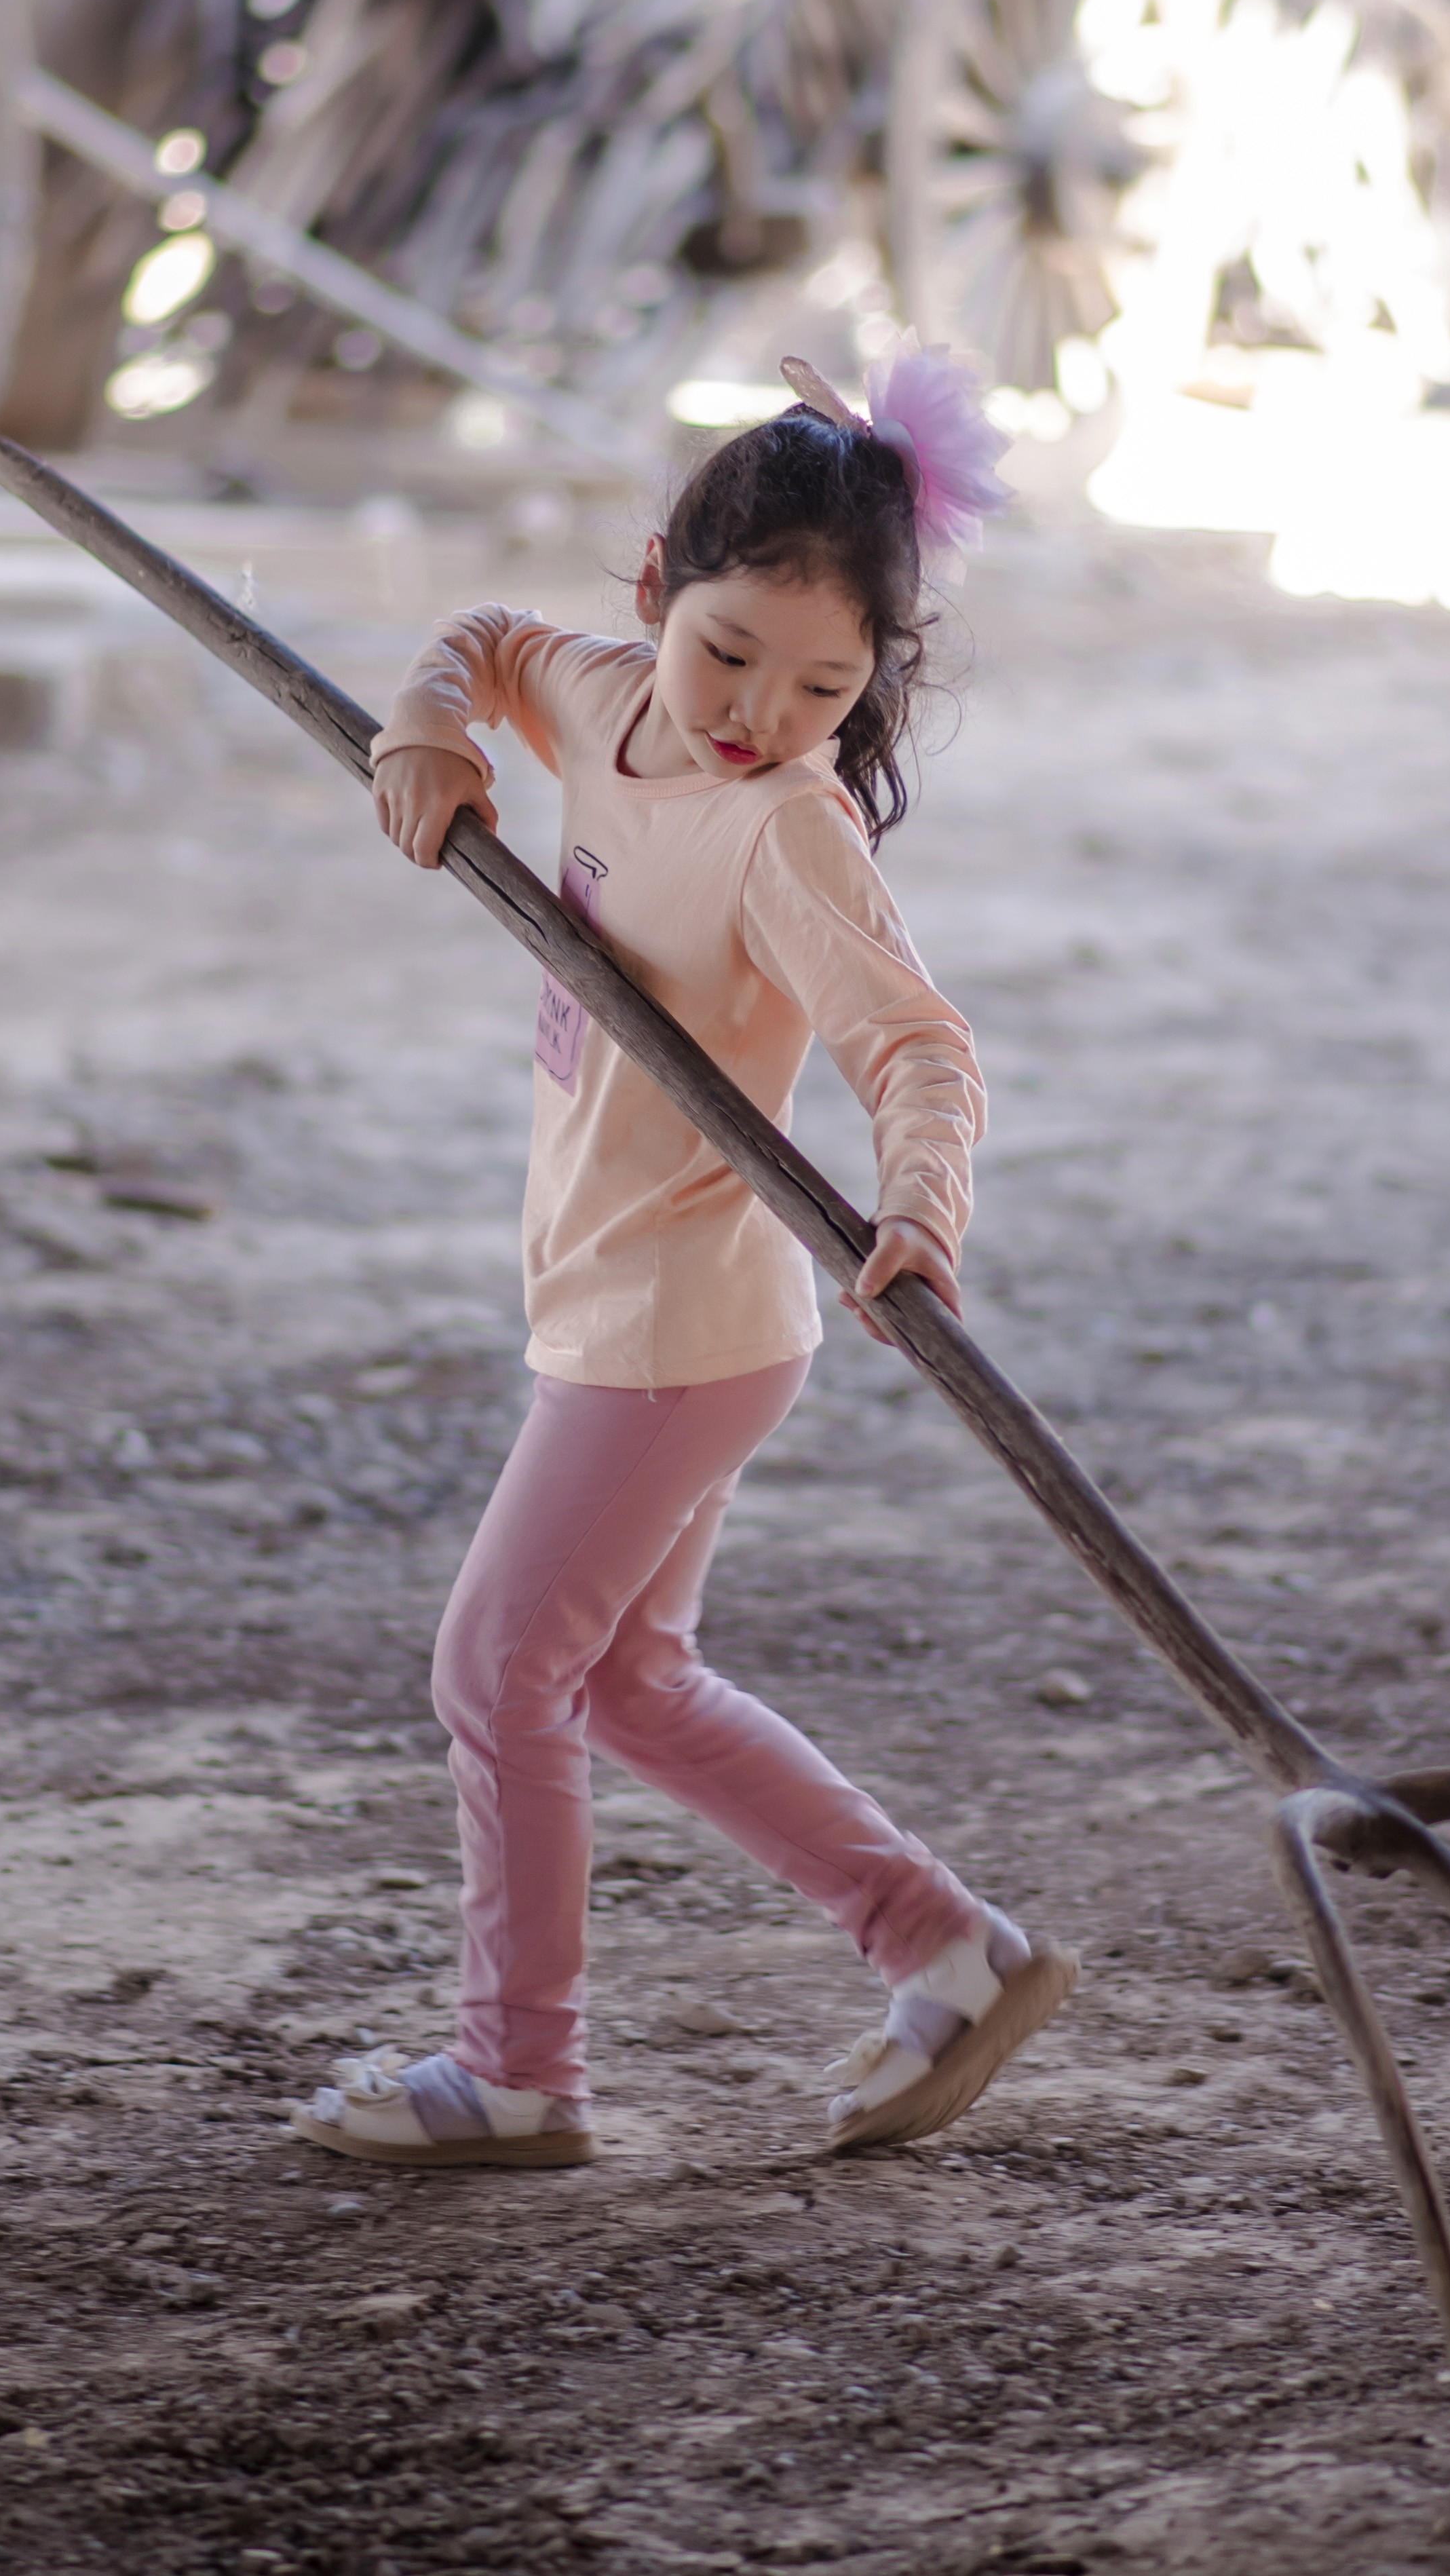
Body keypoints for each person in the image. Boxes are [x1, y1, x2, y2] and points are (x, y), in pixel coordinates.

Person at [300, 347, 1077, 2172]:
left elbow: (917, 1044)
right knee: (632, 1679)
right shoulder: (609, 701)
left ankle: (516, 2072)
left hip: (679, 1324)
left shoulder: (783, 825)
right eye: (726, 650)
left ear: (875, 686)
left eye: (825, 686)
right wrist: (429, 725)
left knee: (498, 1666)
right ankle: (948, 1953)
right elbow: (491, 641)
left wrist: (923, 1202)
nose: (751, 710)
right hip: (624, 1297)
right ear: (655, 587)